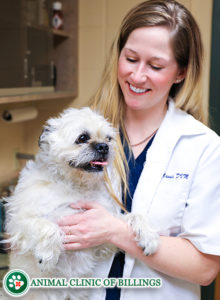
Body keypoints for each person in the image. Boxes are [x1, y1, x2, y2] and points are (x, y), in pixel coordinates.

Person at [57, 1, 220, 299]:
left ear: (181, 72)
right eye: (130, 59)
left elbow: (205, 267)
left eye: (155, 66)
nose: (137, 76)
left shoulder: (203, 147)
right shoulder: (82, 132)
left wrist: (115, 232)